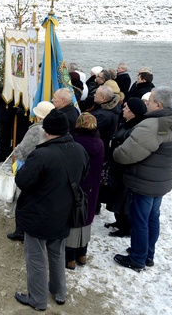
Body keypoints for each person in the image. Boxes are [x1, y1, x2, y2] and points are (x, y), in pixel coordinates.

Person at [113, 86, 172, 272]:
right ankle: (147, 254)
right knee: (152, 218)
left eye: (149, 102)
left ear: (158, 105)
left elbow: (125, 154)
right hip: (163, 179)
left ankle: (137, 259)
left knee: (139, 221)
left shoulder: (153, 125)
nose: (146, 104)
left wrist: (114, 151)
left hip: (143, 180)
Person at [14, 110, 89, 310]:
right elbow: (83, 174)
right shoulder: (79, 149)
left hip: (39, 212)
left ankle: (37, 299)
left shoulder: (41, 154)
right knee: (57, 254)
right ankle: (59, 292)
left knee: (36, 257)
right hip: (64, 211)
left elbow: (22, 181)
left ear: (46, 131)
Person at [7, 101, 55, 241]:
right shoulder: (55, 129)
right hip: (46, 170)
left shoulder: (36, 130)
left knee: (22, 200)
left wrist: (17, 152)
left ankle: (20, 231)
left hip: (30, 167)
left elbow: (22, 150)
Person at [66, 113, 104, 270]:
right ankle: (82, 254)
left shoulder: (75, 142)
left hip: (77, 186)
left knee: (73, 219)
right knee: (86, 219)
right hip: (93, 187)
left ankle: (70, 258)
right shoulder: (100, 143)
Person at [106, 98, 147, 237]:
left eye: (127, 108)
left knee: (122, 199)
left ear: (134, 113)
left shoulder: (136, 128)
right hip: (117, 166)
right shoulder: (127, 123)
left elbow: (130, 150)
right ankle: (119, 222)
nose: (123, 109)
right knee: (116, 196)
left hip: (125, 168)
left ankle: (125, 228)